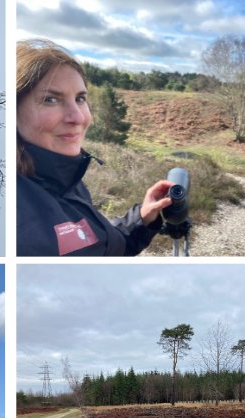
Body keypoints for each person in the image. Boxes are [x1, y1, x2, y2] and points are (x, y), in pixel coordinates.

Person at [17, 38, 174, 256]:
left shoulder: (68, 180)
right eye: (51, 100)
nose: (78, 117)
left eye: (80, 99)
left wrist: (142, 218)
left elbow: (99, 248)